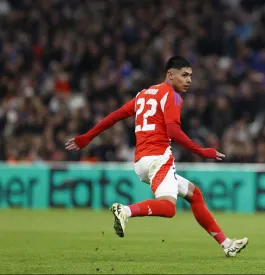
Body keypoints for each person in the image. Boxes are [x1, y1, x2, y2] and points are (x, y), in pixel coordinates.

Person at [65, 56, 248, 257]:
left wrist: (87, 137)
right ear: (170, 75)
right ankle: (125, 211)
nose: (189, 80)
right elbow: (173, 131)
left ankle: (226, 244)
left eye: (191, 76)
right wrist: (202, 151)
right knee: (169, 208)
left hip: (141, 162)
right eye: (184, 75)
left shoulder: (143, 94)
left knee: (194, 194)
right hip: (159, 158)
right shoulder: (172, 96)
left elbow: (115, 116)